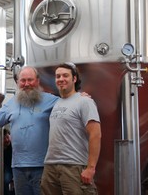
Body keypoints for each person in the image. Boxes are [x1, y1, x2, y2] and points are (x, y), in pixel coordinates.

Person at [0, 66, 59, 195]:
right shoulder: (11, 103)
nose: (26, 84)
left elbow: (68, 105)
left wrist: (79, 96)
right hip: (18, 167)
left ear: (38, 81)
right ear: (17, 83)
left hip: (43, 166)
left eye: (30, 80)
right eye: (23, 80)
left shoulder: (51, 100)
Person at [41, 63, 102, 195]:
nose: (61, 79)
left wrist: (91, 168)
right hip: (51, 166)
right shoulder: (57, 103)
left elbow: (95, 134)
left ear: (74, 79)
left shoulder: (84, 101)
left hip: (74, 166)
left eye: (65, 75)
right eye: (58, 76)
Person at [3, 128, 15, 195]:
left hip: (13, 167)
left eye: (7, 137)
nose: (7, 140)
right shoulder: (0, 148)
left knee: (6, 180)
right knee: (5, 181)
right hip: (5, 168)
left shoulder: (13, 146)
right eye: (4, 138)